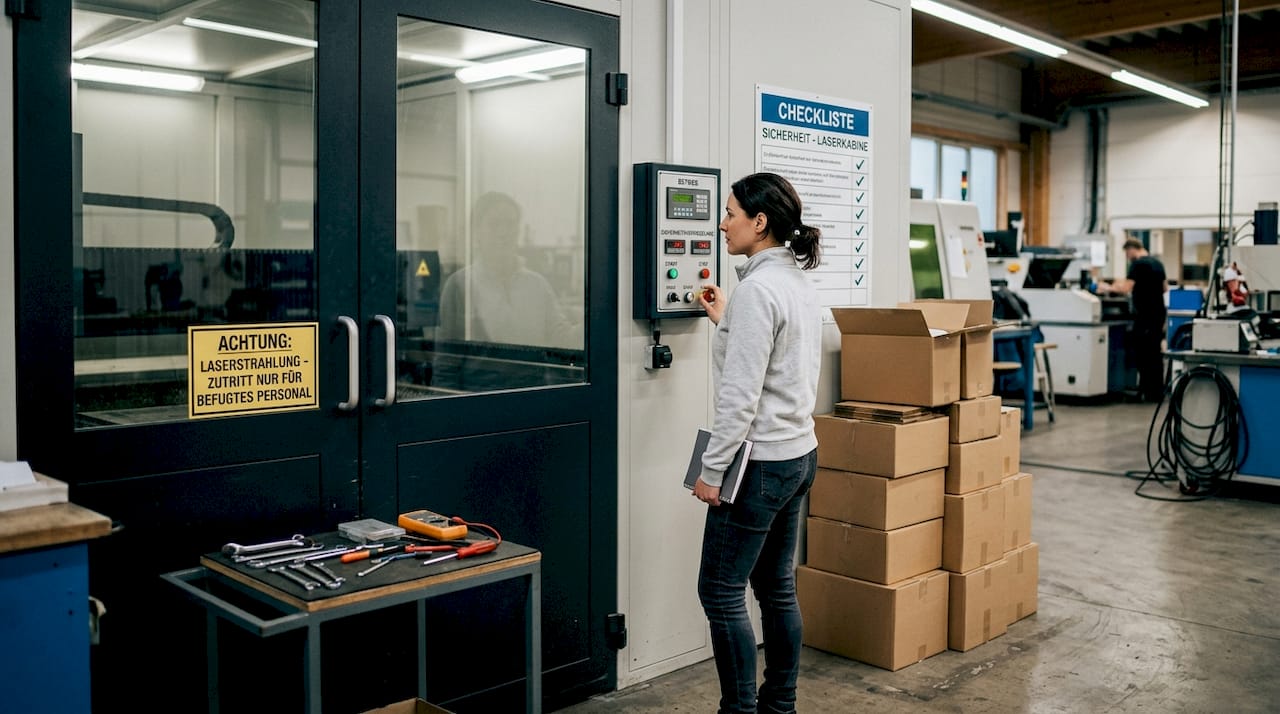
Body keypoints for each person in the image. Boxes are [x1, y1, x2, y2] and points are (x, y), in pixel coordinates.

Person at [692, 172, 823, 714]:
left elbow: (739, 400)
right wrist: (727, 320)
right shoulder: (793, 284)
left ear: (759, 222)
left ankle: (739, 710)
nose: (722, 224)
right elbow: (775, 362)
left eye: (729, 214)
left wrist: (711, 470)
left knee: (720, 593)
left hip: (758, 465)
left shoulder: (757, 292)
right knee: (776, 589)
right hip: (797, 456)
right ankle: (779, 706)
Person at [437, 191, 578, 349]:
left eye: (510, 223)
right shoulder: (459, 285)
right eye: (494, 224)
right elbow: (447, 361)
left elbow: (562, 338)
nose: (503, 232)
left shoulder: (537, 285)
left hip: (532, 375)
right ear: (476, 232)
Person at [1098, 238, 1167, 401]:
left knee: (1143, 354)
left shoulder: (1137, 265)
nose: (1128, 257)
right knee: (1155, 353)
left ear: (1131, 249)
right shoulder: (1158, 263)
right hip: (1158, 314)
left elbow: (1126, 288)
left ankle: (1144, 391)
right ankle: (1156, 392)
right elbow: (1165, 288)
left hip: (1144, 315)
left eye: (1127, 253)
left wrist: (1107, 287)